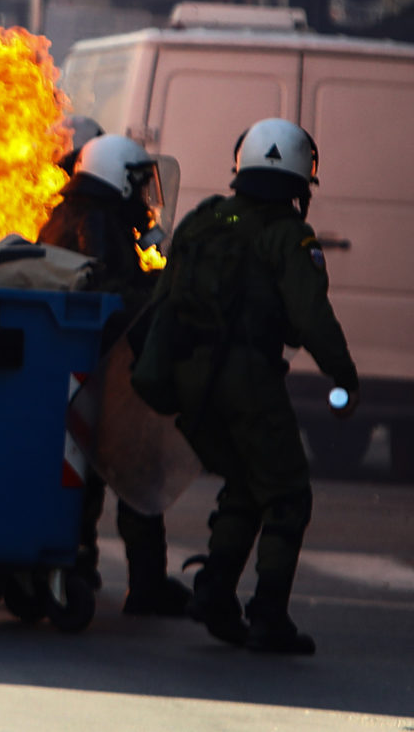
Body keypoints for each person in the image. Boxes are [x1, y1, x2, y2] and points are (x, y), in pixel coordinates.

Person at [140, 119, 359, 655]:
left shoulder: (205, 218)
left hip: (191, 379)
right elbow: (309, 316)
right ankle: (268, 616)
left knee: (244, 481)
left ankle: (214, 591)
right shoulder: (289, 234)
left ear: (243, 165)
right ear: (301, 178)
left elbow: (162, 300)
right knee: (286, 494)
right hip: (247, 380)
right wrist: (343, 373)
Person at [39, 134, 189, 615]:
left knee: (87, 473)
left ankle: (79, 563)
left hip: (87, 366)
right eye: (138, 184)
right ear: (117, 179)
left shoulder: (83, 213)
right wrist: (157, 290)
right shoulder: (96, 222)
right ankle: (135, 581)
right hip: (100, 367)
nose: (144, 197)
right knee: (130, 463)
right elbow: (105, 291)